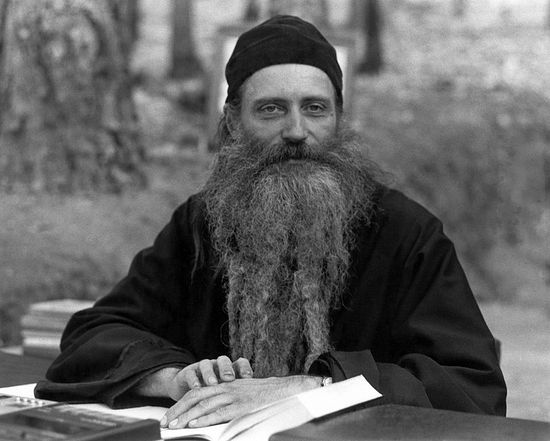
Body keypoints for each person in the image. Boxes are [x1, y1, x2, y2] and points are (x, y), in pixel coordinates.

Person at [35, 15, 506, 429]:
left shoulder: (406, 233)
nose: (297, 131)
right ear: (232, 121)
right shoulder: (201, 225)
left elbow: (469, 387)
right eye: (271, 109)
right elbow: (94, 337)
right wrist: (172, 378)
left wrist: (313, 387)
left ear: (338, 118)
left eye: (315, 108)